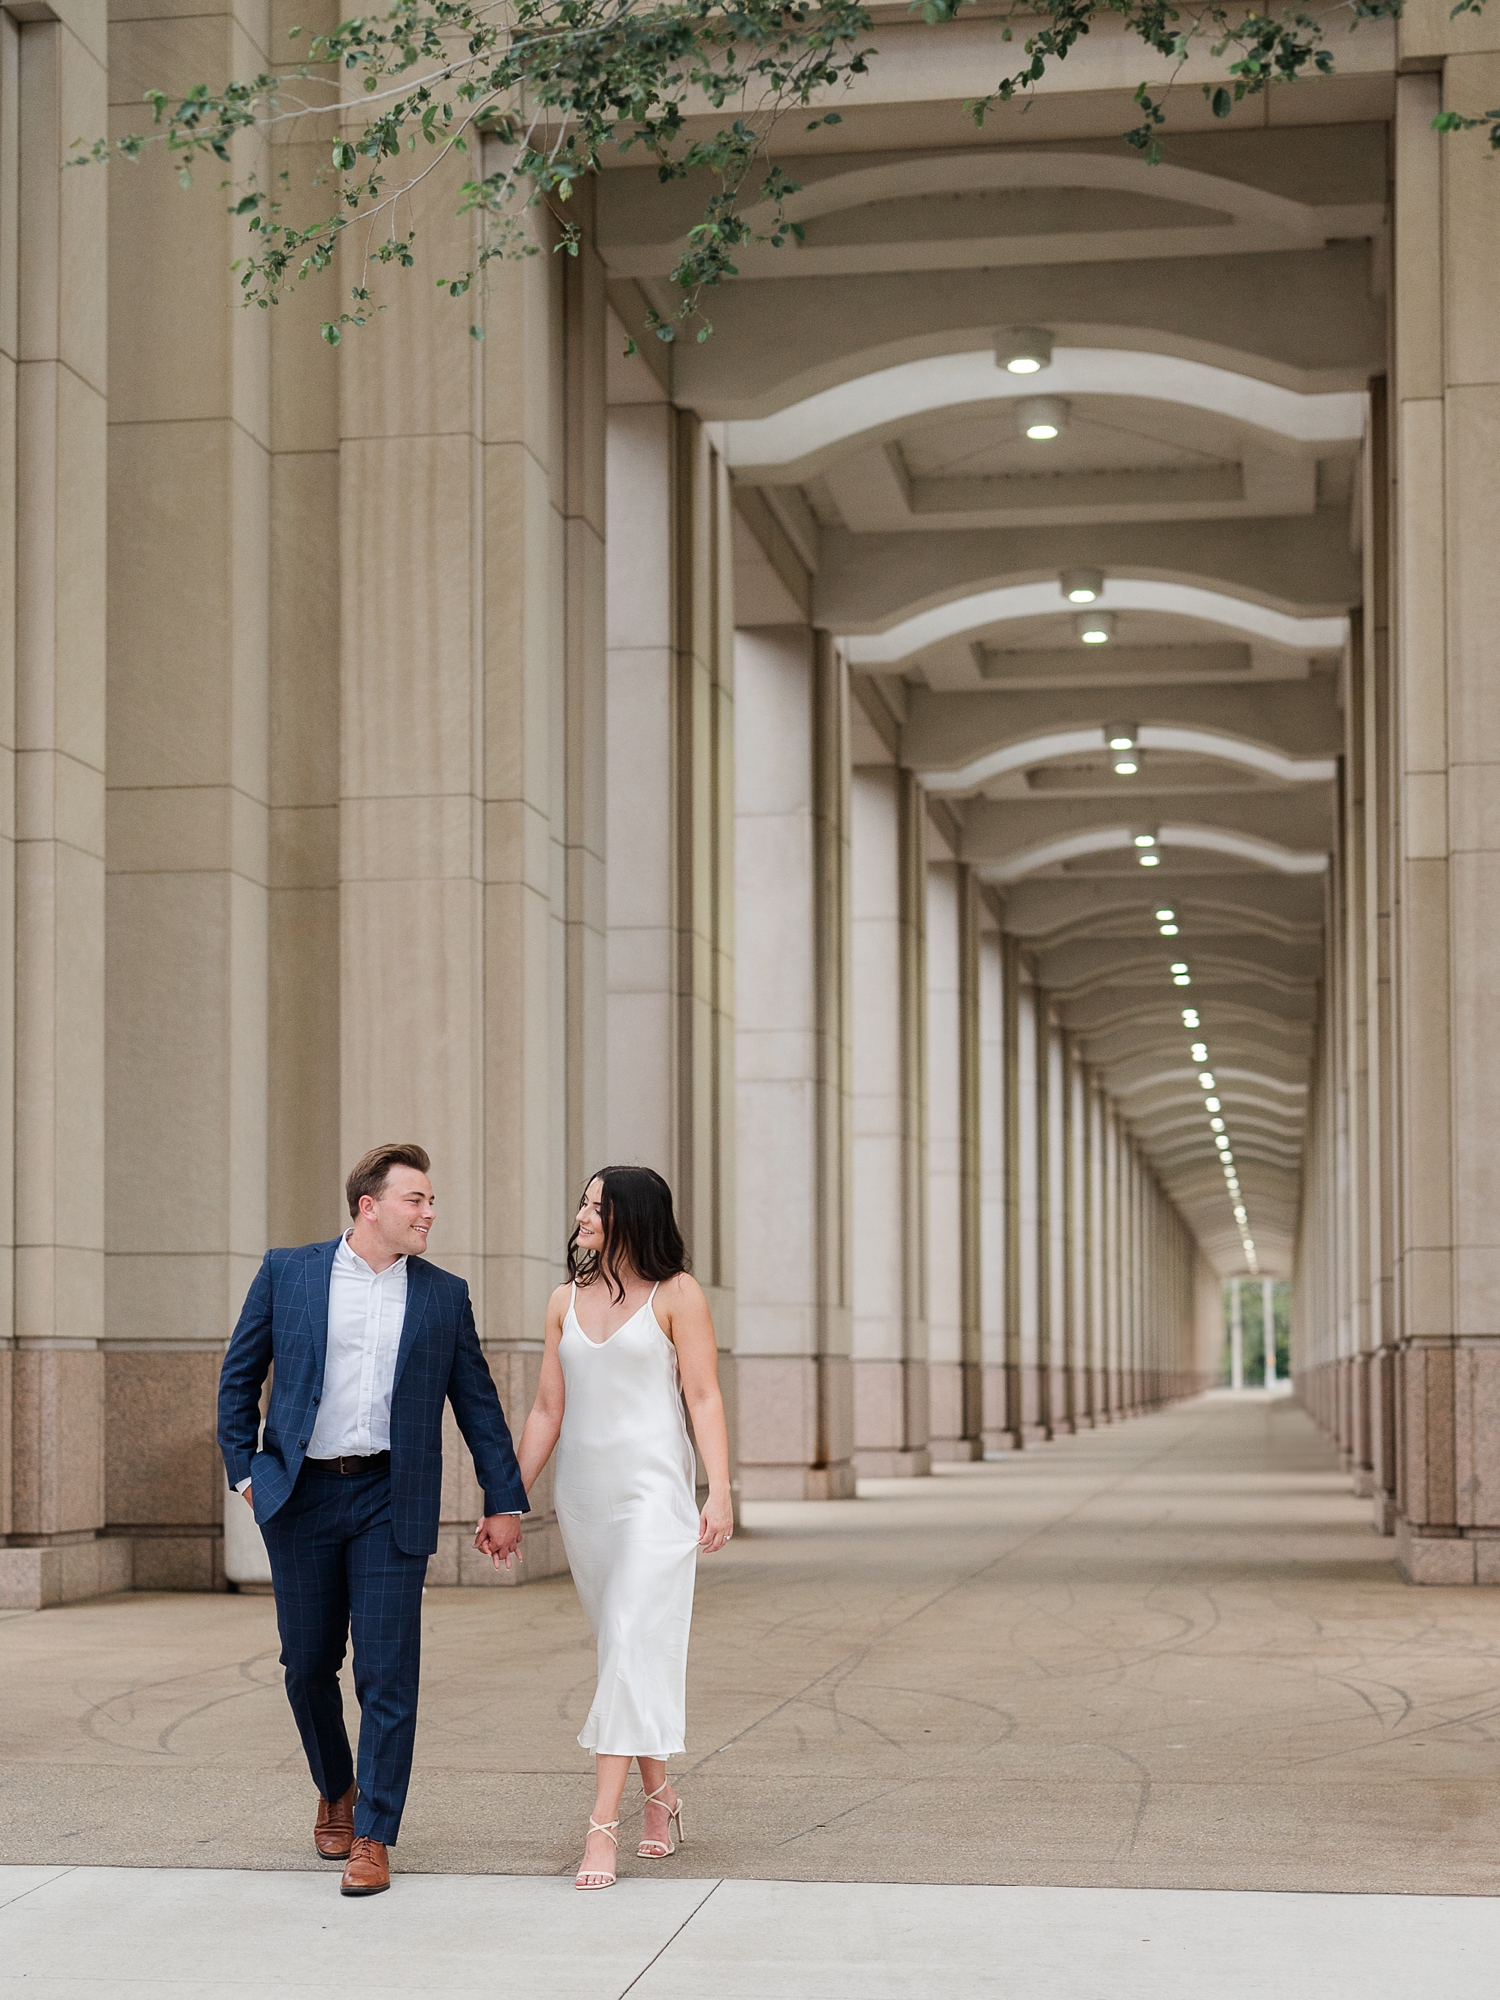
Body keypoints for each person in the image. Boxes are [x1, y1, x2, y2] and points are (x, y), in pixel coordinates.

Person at [217, 1143, 527, 1897]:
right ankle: (336, 1785)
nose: (429, 1213)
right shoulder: (288, 1272)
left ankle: (374, 1834)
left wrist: (504, 1497)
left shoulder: (442, 1295)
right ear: (370, 1207)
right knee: (306, 1667)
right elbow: (238, 1378)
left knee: (387, 1672)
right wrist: (248, 1473)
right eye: (415, 1200)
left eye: (429, 1201)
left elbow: (478, 1403)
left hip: (392, 1494)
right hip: (301, 1495)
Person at [509, 1166, 733, 1890]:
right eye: (582, 1201)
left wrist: (720, 1491)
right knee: (623, 1653)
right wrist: (507, 1499)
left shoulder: (678, 1295)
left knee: (633, 1640)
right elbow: (548, 1408)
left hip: (653, 1500)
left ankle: (601, 1825)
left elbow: (702, 1396)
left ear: (632, 1217)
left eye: (598, 1206)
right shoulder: (561, 1302)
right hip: (586, 1500)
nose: (582, 1214)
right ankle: (661, 1798)